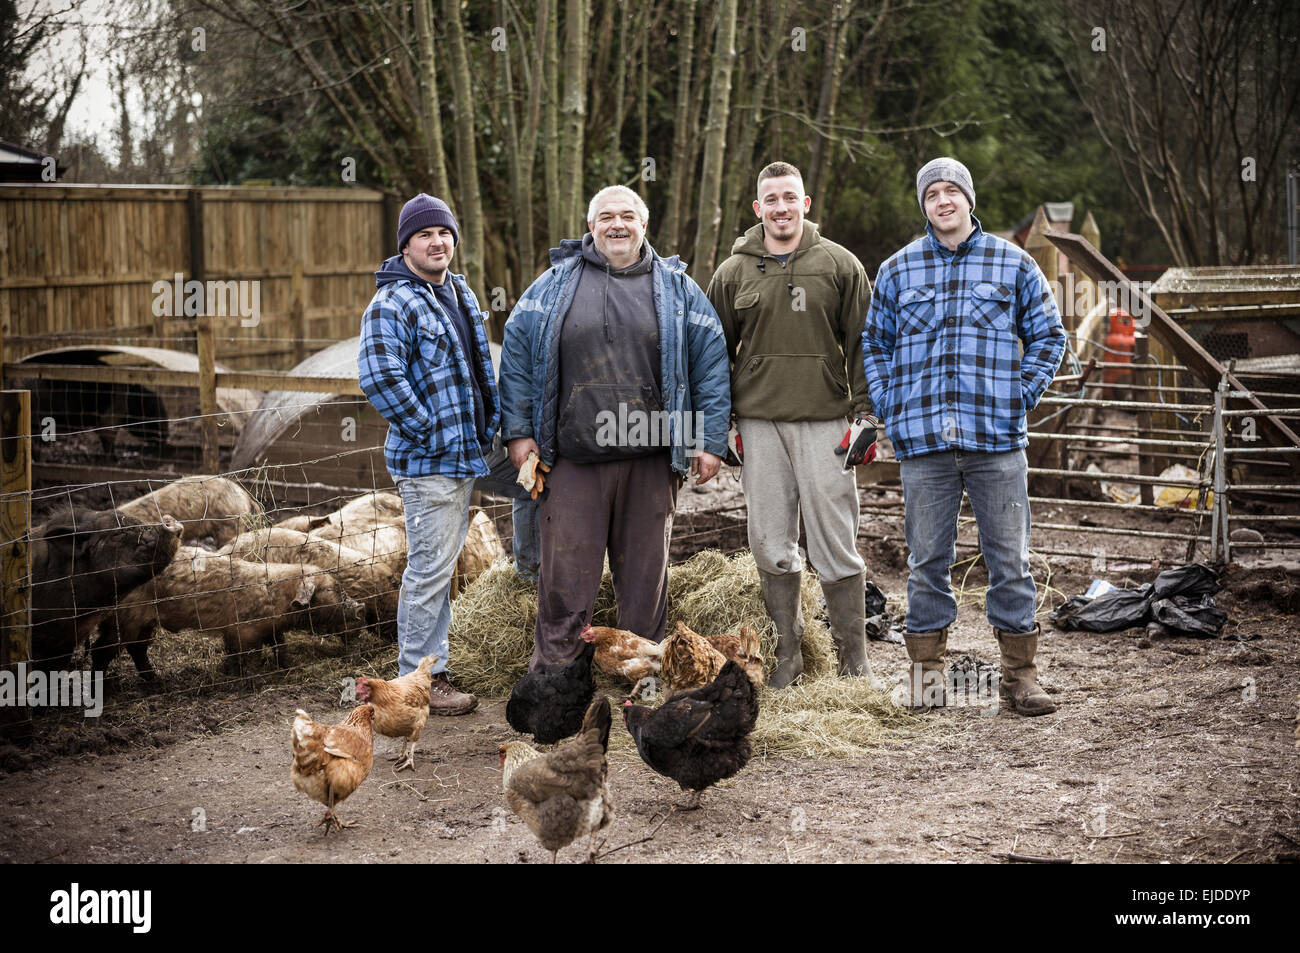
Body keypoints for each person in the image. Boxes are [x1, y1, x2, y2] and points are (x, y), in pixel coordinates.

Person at [861, 157, 1066, 715]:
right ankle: (927, 677)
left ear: (969, 199)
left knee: (1010, 559)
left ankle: (1020, 678)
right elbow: (874, 345)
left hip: (996, 440)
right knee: (927, 560)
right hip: (923, 442)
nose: (943, 201)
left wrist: (1018, 395)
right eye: (932, 194)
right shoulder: (898, 270)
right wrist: (889, 402)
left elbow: (1050, 336)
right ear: (923, 204)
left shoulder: (1013, 263)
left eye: (952, 191)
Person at [498, 185, 730, 670]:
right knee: (565, 580)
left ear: (644, 226)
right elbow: (516, 357)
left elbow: (710, 364)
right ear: (591, 227)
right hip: (572, 460)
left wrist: (707, 441)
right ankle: (556, 685)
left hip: (651, 457)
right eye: (606, 217)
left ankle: (643, 685)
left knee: (645, 582)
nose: (617, 224)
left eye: (628, 215)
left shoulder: (678, 289)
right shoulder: (553, 285)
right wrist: (520, 432)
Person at [707, 161, 875, 689]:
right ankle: (786, 659)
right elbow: (714, 354)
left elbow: (865, 344)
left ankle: (853, 665)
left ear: (805, 204)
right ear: (758, 209)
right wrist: (721, 424)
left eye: (790, 198)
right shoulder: (732, 272)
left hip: (826, 420)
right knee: (770, 541)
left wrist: (866, 416)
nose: (782, 208)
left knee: (835, 540)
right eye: (771, 200)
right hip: (758, 424)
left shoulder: (839, 265)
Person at [358, 193, 496, 715]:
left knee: (443, 566)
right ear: (406, 245)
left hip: (470, 452)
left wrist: (494, 423)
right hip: (430, 460)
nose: (437, 242)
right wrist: (429, 427)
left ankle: (434, 666)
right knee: (430, 573)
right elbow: (378, 376)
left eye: (444, 233)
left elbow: (476, 371)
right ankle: (418, 680)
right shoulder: (393, 302)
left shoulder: (456, 292)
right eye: (424, 235)